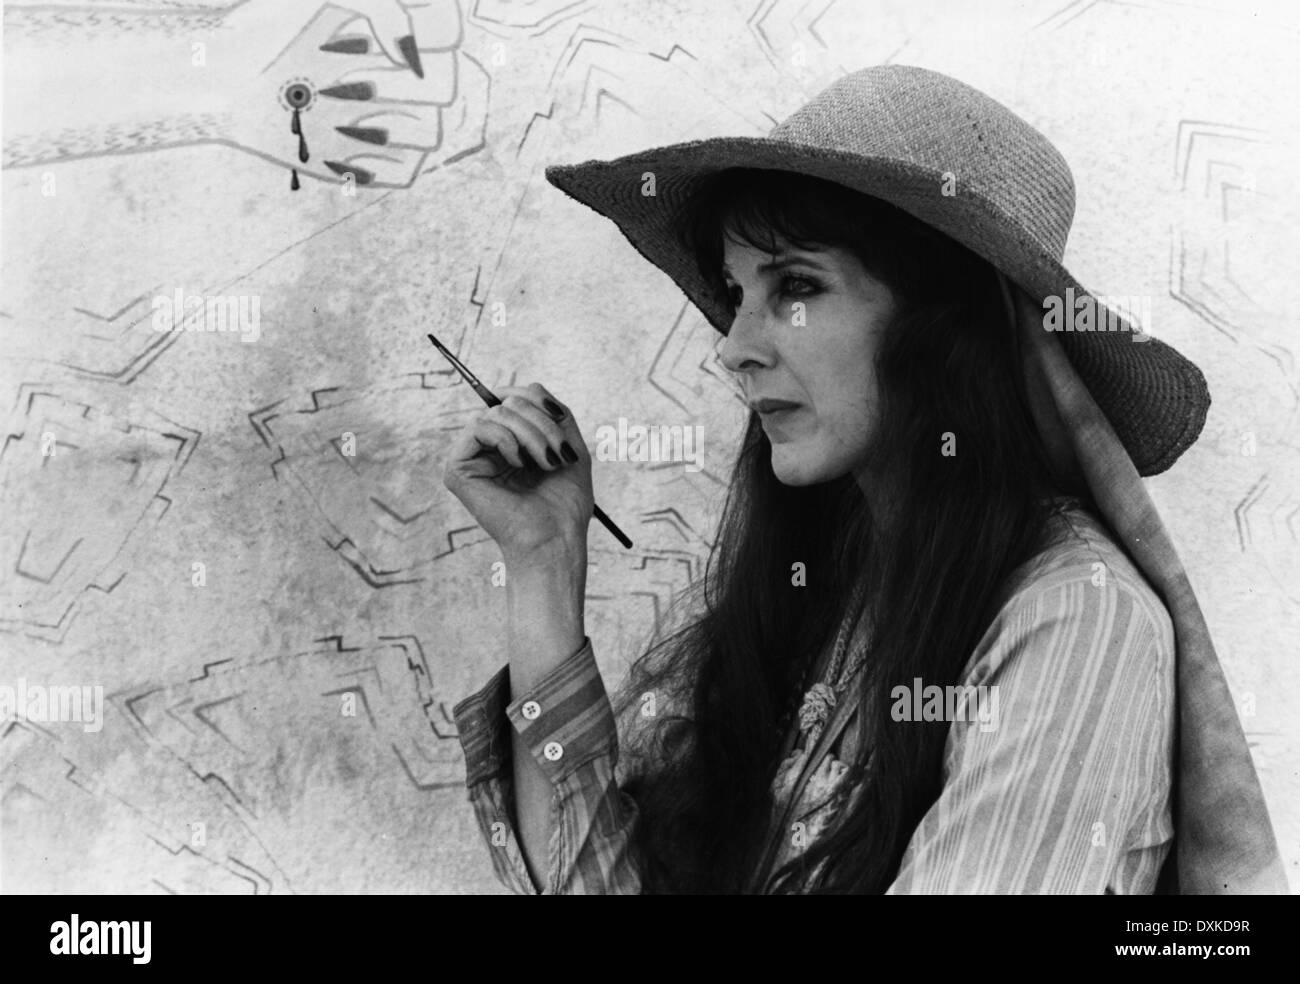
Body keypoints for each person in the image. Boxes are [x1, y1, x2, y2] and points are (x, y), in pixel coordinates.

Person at [441, 65, 1287, 894]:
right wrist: (545, 563)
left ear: (944, 328)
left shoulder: (1073, 623)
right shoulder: (820, 587)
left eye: (797, 287)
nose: (732, 347)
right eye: (737, 292)